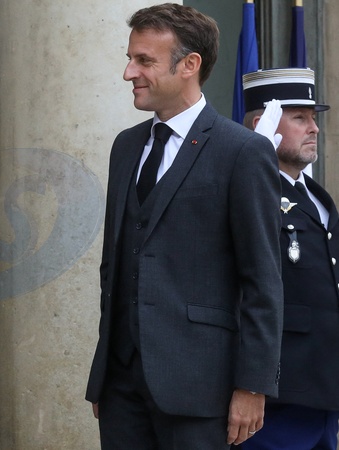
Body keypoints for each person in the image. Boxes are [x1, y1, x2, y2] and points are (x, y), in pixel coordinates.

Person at [85, 4, 284, 449]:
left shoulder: (242, 151)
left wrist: (253, 385)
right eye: (130, 58)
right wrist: (105, 373)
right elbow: (113, 266)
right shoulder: (125, 147)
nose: (128, 72)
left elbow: (263, 280)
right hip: (121, 387)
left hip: (202, 389)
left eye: (144, 61)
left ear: (189, 65)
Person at [238, 67, 339, 450]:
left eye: (314, 118)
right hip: (279, 392)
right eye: (299, 118)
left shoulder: (313, 195)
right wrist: (255, 164)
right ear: (263, 124)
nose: (314, 128)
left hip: (323, 388)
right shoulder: (249, 189)